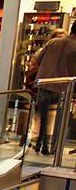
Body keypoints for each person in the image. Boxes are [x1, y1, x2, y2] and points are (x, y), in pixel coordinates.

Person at [29, 22, 76, 156]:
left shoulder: (53, 42)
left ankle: (40, 144)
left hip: (45, 83)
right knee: (59, 121)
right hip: (64, 86)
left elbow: (37, 59)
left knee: (43, 117)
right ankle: (54, 148)